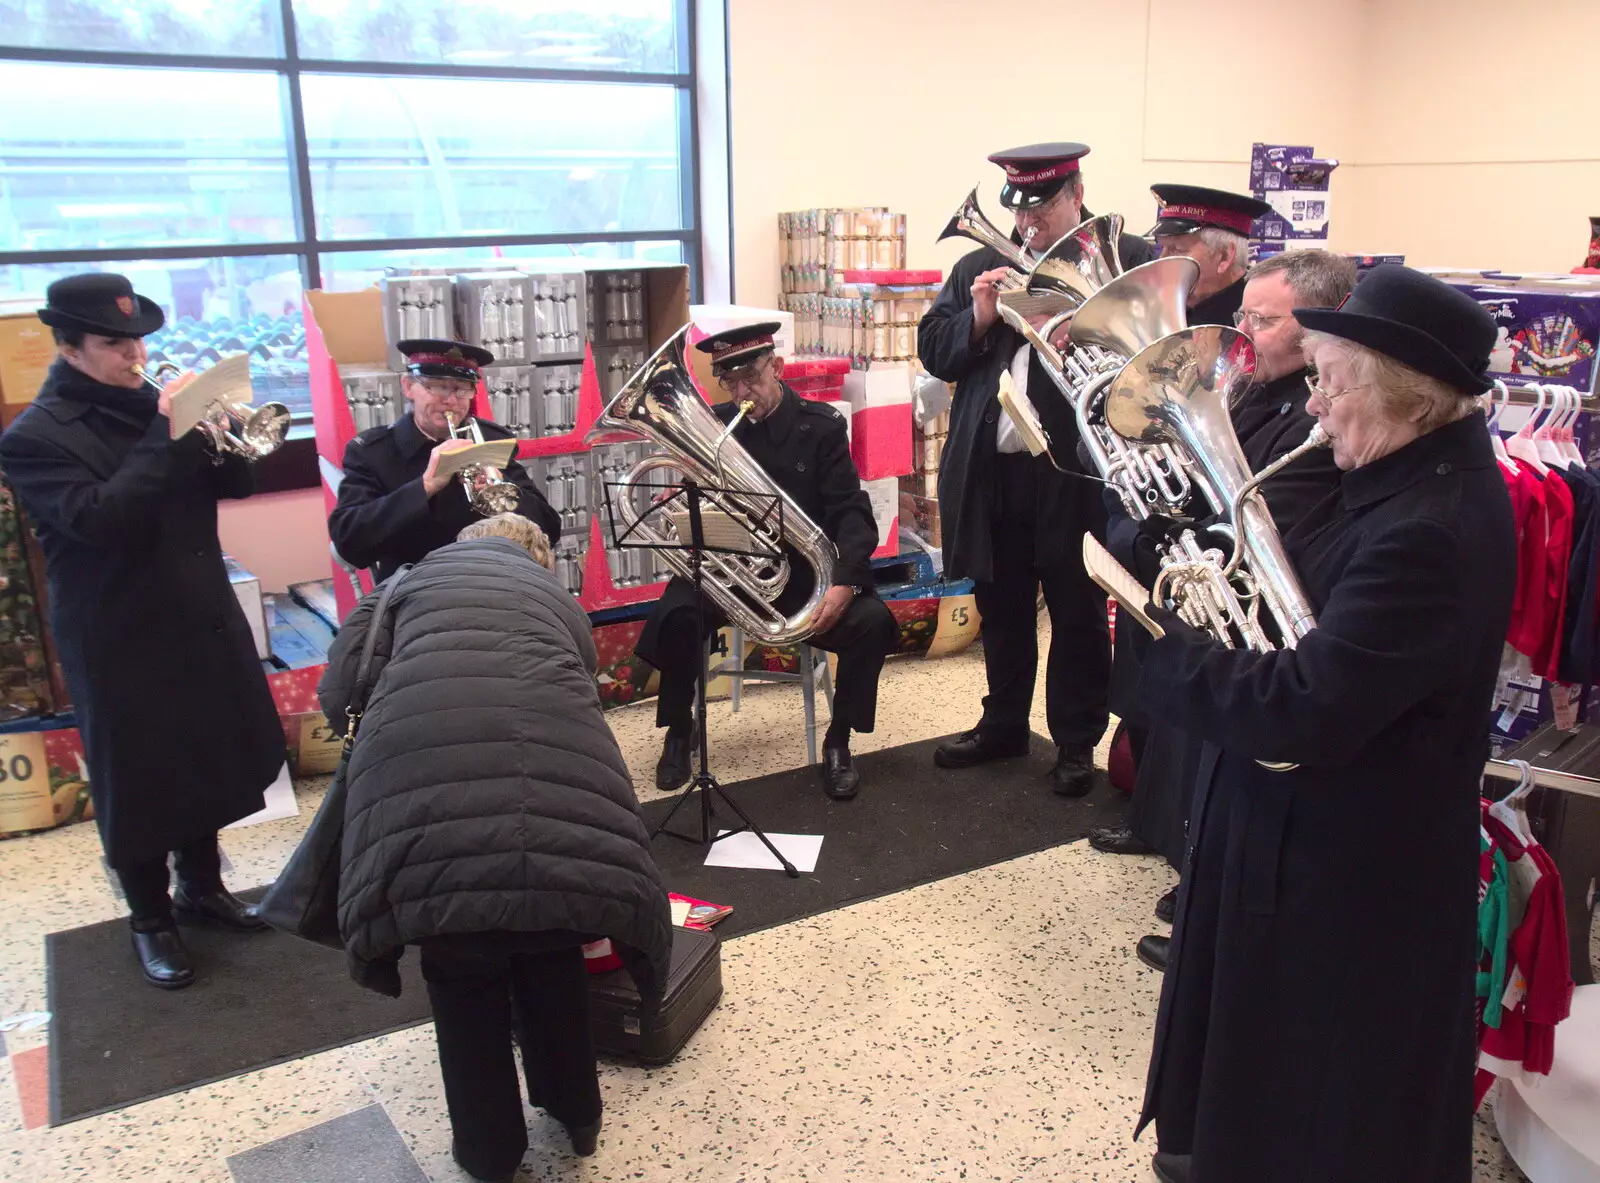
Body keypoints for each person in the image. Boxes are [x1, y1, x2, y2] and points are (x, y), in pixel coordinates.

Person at [1132, 266, 1513, 1183]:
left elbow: (1308, 704)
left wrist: (1164, 651)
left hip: (1350, 880)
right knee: (1270, 1084)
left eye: (1331, 381)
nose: (1314, 407)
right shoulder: (1389, 481)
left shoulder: (1430, 527)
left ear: (1409, 399)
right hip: (1309, 851)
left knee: (1323, 1106)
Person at [318, 512, 672, 1182]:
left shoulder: (395, 591)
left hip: (425, 817)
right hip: (557, 806)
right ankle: (578, 1114)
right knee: (550, 947)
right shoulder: (552, 596)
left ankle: (488, 1153)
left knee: (461, 977)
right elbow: (583, 673)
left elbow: (339, 699)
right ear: (537, 560)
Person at [0, 273, 283, 988]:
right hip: (118, 630)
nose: (132, 354)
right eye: (113, 342)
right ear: (68, 347)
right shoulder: (36, 436)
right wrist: (168, 429)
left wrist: (222, 433)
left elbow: (234, 488)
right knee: (139, 778)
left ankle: (201, 887)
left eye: (136, 340)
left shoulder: (152, 407)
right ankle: (149, 919)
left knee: (202, 753)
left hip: (194, 609)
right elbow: (102, 519)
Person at [1090, 250, 1355, 971]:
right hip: (1208, 591)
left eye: (1262, 320)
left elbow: (1267, 513)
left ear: (1314, 330)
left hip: (1256, 616)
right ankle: (1173, 849)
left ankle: (1206, 911)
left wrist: (1167, 532)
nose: (1242, 331)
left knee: (1227, 765)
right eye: (1242, 314)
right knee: (1177, 736)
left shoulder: (1312, 415)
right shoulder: (1248, 384)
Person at [918, 142, 1154, 795]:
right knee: (1003, 604)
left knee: (1077, 610)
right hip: (995, 471)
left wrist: (1085, 322)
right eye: (1020, 212)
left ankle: (1076, 743)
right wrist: (982, 313)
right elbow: (935, 349)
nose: (1029, 225)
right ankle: (1004, 725)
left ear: (1077, 194)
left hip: (1074, 470)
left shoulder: (1125, 259)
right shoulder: (981, 264)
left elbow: (1149, 351)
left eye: (1043, 209)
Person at [634, 323, 896, 801]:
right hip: (731, 572)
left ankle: (839, 741)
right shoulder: (713, 429)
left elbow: (852, 513)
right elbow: (690, 506)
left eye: (750, 377)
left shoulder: (820, 428)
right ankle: (679, 730)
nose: (741, 393)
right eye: (729, 382)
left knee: (872, 621)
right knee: (675, 615)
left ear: (775, 368)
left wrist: (846, 582)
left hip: (799, 578)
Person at [328, 338, 561, 583]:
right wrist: (426, 486)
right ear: (408, 387)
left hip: (493, 582)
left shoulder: (490, 440)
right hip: (416, 588)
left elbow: (550, 530)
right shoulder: (373, 452)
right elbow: (349, 545)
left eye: (462, 389)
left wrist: (503, 488)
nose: (451, 400)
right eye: (437, 386)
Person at [1148, 184, 1274, 326]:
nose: (1162, 260)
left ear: (1224, 257)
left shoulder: (1262, 323)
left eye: (1177, 249)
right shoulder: (1162, 310)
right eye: (1162, 247)